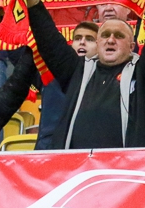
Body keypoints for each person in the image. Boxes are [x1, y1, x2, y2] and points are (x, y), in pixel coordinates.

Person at [21, 0, 145, 149]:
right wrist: (33, 3)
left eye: (119, 36)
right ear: (98, 42)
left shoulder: (143, 74)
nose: (111, 40)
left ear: (131, 46)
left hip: (125, 164)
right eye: (105, 35)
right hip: (76, 164)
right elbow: (50, 41)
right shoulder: (77, 71)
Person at [35, 21, 98, 150]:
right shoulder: (49, 72)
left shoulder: (106, 78)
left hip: (85, 148)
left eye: (89, 39)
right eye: (77, 38)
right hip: (48, 148)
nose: (82, 42)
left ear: (100, 46)